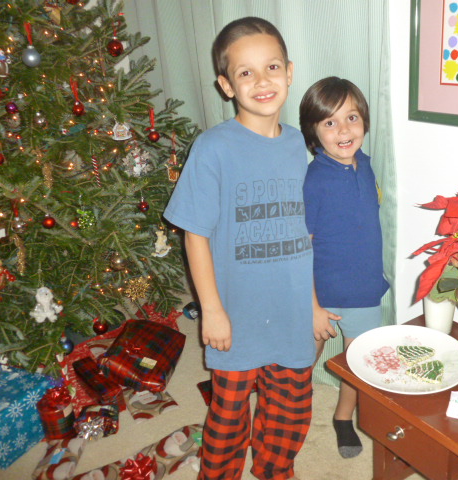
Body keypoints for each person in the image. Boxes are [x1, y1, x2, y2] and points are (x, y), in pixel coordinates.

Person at [164, 17, 315, 480]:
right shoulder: (213, 148)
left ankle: (275, 470)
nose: (262, 80)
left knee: (290, 411)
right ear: (226, 86)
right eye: (246, 72)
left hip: (291, 311)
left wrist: (313, 303)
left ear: (289, 71)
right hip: (236, 314)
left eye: (272, 67)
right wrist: (211, 311)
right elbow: (195, 234)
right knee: (228, 417)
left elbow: (307, 230)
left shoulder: (300, 144)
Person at [300, 77, 389, 459]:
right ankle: (290, 406)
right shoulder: (313, 180)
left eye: (351, 117)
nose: (344, 130)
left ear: (364, 120)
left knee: (358, 364)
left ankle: (342, 417)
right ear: (314, 132)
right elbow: (301, 246)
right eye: (330, 122)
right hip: (319, 292)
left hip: (364, 290)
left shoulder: (365, 165)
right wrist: (312, 307)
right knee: (302, 358)